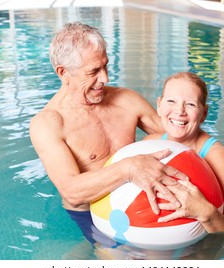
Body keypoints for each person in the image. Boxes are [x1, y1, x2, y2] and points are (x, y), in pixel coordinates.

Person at [29, 22, 186, 244]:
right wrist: (129, 168)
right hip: (93, 215)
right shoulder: (48, 124)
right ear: (63, 73)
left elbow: (183, 138)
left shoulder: (127, 100)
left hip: (141, 201)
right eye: (93, 71)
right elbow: (72, 191)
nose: (105, 78)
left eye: (105, 66)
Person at [144, 72, 224, 233]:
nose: (179, 111)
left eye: (190, 104)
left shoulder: (218, 157)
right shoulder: (149, 144)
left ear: (204, 113)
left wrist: (206, 213)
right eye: (171, 101)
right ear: (159, 106)